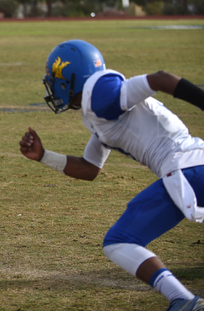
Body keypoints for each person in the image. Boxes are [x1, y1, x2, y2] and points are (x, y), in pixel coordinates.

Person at [19, 39, 204, 311]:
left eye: (54, 79)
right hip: (190, 165)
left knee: (120, 241)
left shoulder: (100, 92)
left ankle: (183, 300)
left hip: (184, 167)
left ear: (68, 78)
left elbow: (160, 79)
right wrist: (45, 156)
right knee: (120, 240)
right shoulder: (98, 110)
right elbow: (90, 168)